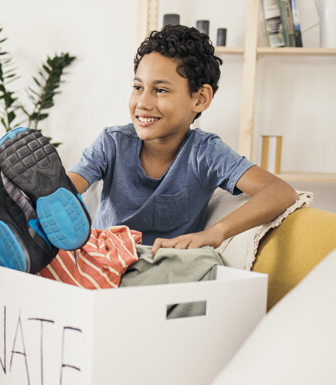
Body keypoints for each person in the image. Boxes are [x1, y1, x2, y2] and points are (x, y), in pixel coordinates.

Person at [67, 24, 298, 255]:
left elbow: (280, 192)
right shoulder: (112, 143)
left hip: (166, 267)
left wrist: (215, 232)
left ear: (200, 98)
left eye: (160, 90)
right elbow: (63, 190)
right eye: (138, 87)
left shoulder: (206, 152)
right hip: (103, 260)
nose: (143, 103)